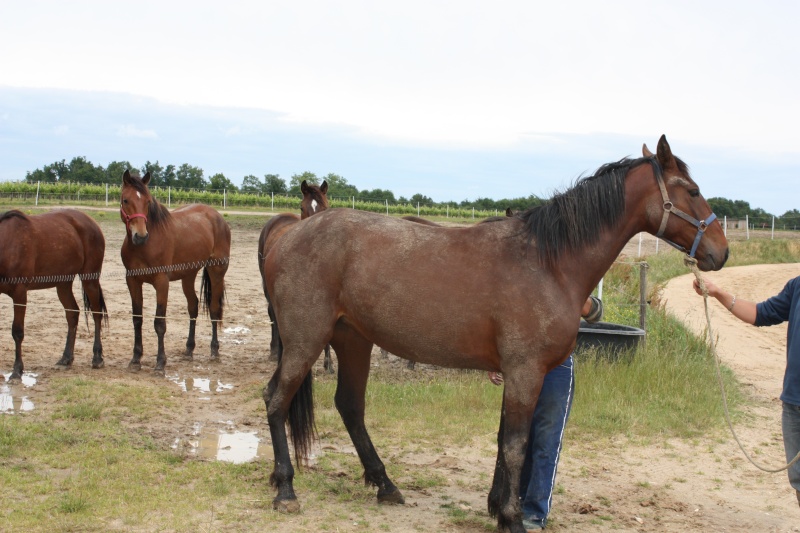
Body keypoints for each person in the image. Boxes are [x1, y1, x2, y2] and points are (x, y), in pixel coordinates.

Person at [489, 295, 603, 531]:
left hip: (556, 366)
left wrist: (576, 299)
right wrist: (493, 361)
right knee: (520, 437)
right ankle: (515, 500)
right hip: (521, 363)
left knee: (546, 441)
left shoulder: (562, 275)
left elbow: (596, 313)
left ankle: (536, 510)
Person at [692, 276, 800, 508]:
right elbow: (760, 313)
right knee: (799, 480)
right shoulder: (797, 286)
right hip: (794, 404)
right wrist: (718, 292)